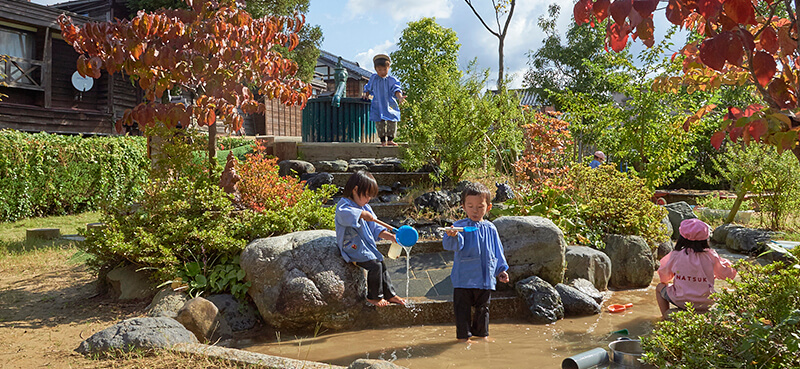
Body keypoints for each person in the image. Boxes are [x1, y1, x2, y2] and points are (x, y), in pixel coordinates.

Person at [443, 182, 509, 342]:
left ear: (488, 207)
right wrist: (452, 235)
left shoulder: (491, 228)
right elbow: (453, 245)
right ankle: (463, 338)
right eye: (470, 206)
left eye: (480, 206)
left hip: (485, 279)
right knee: (462, 311)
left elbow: (497, 251)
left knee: (483, 310)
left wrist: (501, 270)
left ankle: (481, 336)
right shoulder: (459, 226)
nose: (475, 210)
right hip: (463, 280)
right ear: (463, 207)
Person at [335, 170, 406, 307]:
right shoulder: (343, 205)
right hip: (351, 246)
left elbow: (376, 228)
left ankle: (390, 294)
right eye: (366, 195)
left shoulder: (365, 207)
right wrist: (361, 214)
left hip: (364, 246)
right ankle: (373, 297)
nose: (368, 200)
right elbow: (344, 215)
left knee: (381, 262)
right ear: (355, 190)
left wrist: (391, 237)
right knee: (375, 265)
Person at [656, 218, 737, 319]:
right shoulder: (711, 255)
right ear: (706, 238)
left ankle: (665, 316)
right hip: (706, 302)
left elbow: (664, 277)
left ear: (682, 238)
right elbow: (729, 274)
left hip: (681, 301)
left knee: (659, 287)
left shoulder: (675, 255)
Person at [362, 54, 405, 147]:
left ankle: (390, 139)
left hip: (390, 103)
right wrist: (366, 95)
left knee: (392, 121)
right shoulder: (374, 78)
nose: (382, 72)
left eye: (384, 69)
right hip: (378, 103)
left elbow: (396, 90)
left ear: (388, 67)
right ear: (375, 69)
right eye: (379, 70)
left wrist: (400, 97)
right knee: (379, 122)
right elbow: (368, 87)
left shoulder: (392, 80)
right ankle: (382, 140)